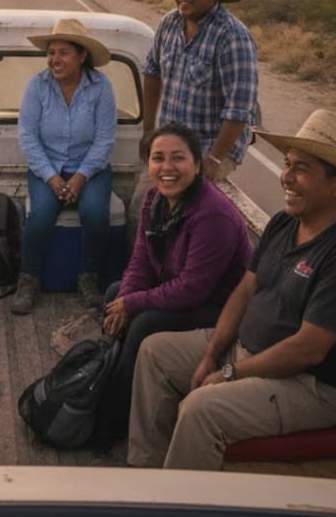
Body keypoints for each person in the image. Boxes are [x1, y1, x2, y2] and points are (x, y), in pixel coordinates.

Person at [128, 109, 336, 470]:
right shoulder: (286, 222)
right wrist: (212, 352)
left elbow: (308, 350)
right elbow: (245, 290)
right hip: (248, 353)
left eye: (301, 169)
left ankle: (181, 499)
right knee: (154, 351)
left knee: (201, 410)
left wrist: (229, 374)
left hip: (309, 386)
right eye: (287, 164)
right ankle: (146, 471)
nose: (286, 177)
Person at [92, 122, 251, 445]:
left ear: (197, 164)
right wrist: (125, 299)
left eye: (178, 158)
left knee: (144, 323)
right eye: (157, 158)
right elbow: (140, 261)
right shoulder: (154, 199)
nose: (167, 168)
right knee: (113, 294)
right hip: (185, 294)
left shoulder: (212, 215)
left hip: (218, 308)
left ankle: (112, 418)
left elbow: (193, 288)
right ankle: (110, 383)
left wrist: (133, 304)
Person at [10, 18, 117, 315]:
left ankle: (88, 279)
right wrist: (53, 179)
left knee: (95, 214)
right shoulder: (37, 86)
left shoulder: (101, 87)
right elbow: (28, 137)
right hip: (48, 167)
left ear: (81, 56)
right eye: (51, 52)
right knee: (40, 215)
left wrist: (80, 178)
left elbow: (105, 139)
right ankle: (28, 280)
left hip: (90, 168)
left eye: (63, 52)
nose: (54, 60)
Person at [142, 0, 259, 182]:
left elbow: (239, 109)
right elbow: (152, 72)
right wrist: (148, 132)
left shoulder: (232, 36)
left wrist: (214, 159)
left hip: (209, 147)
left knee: (187, 211)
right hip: (170, 143)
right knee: (141, 205)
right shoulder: (169, 23)